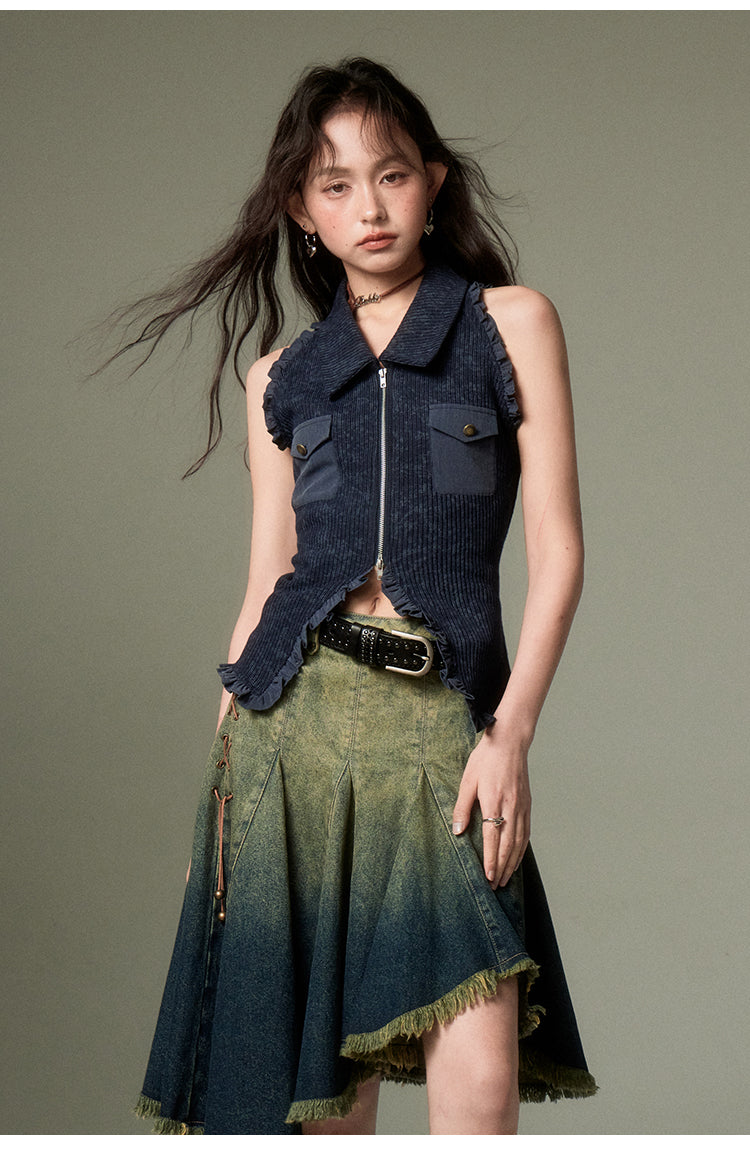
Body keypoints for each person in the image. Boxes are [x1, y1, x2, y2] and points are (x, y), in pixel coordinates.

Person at [125, 57, 597, 1135]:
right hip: (288, 735)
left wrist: (511, 735)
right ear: (302, 210)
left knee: (479, 1088)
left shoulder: (509, 322)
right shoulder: (280, 377)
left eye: (391, 175)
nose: (369, 207)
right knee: (321, 1106)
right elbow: (265, 582)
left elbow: (560, 550)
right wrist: (223, 780)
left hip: (441, 730)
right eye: (335, 185)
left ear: (433, 182)